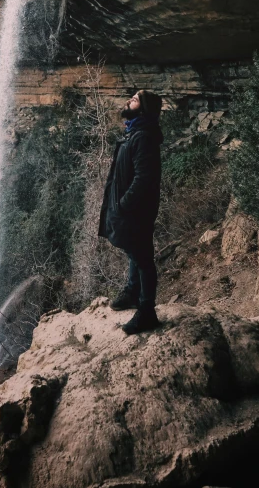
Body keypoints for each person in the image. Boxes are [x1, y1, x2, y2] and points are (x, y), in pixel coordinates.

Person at [98, 89, 163, 335]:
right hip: (130, 209)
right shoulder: (135, 131)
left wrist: (124, 204)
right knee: (134, 252)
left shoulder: (143, 136)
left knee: (143, 258)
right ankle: (132, 292)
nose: (129, 100)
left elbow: (144, 178)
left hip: (136, 211)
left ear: (143, 109)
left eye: (135, 100)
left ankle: (147, 311)